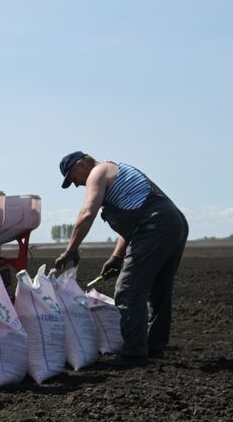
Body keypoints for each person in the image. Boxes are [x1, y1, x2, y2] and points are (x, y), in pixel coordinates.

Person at [53, 152, 188, 363]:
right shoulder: (116, 171)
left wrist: (71, 250)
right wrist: (117, 257)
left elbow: (87, 212)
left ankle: (134, 352)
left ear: (80, 165)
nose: (78, 185)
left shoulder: (97, 172)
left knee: (127, 289)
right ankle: (153, 346)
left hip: (155, 225)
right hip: (173, 223)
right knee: (159, 290)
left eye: (73, 179)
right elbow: (133, 220)